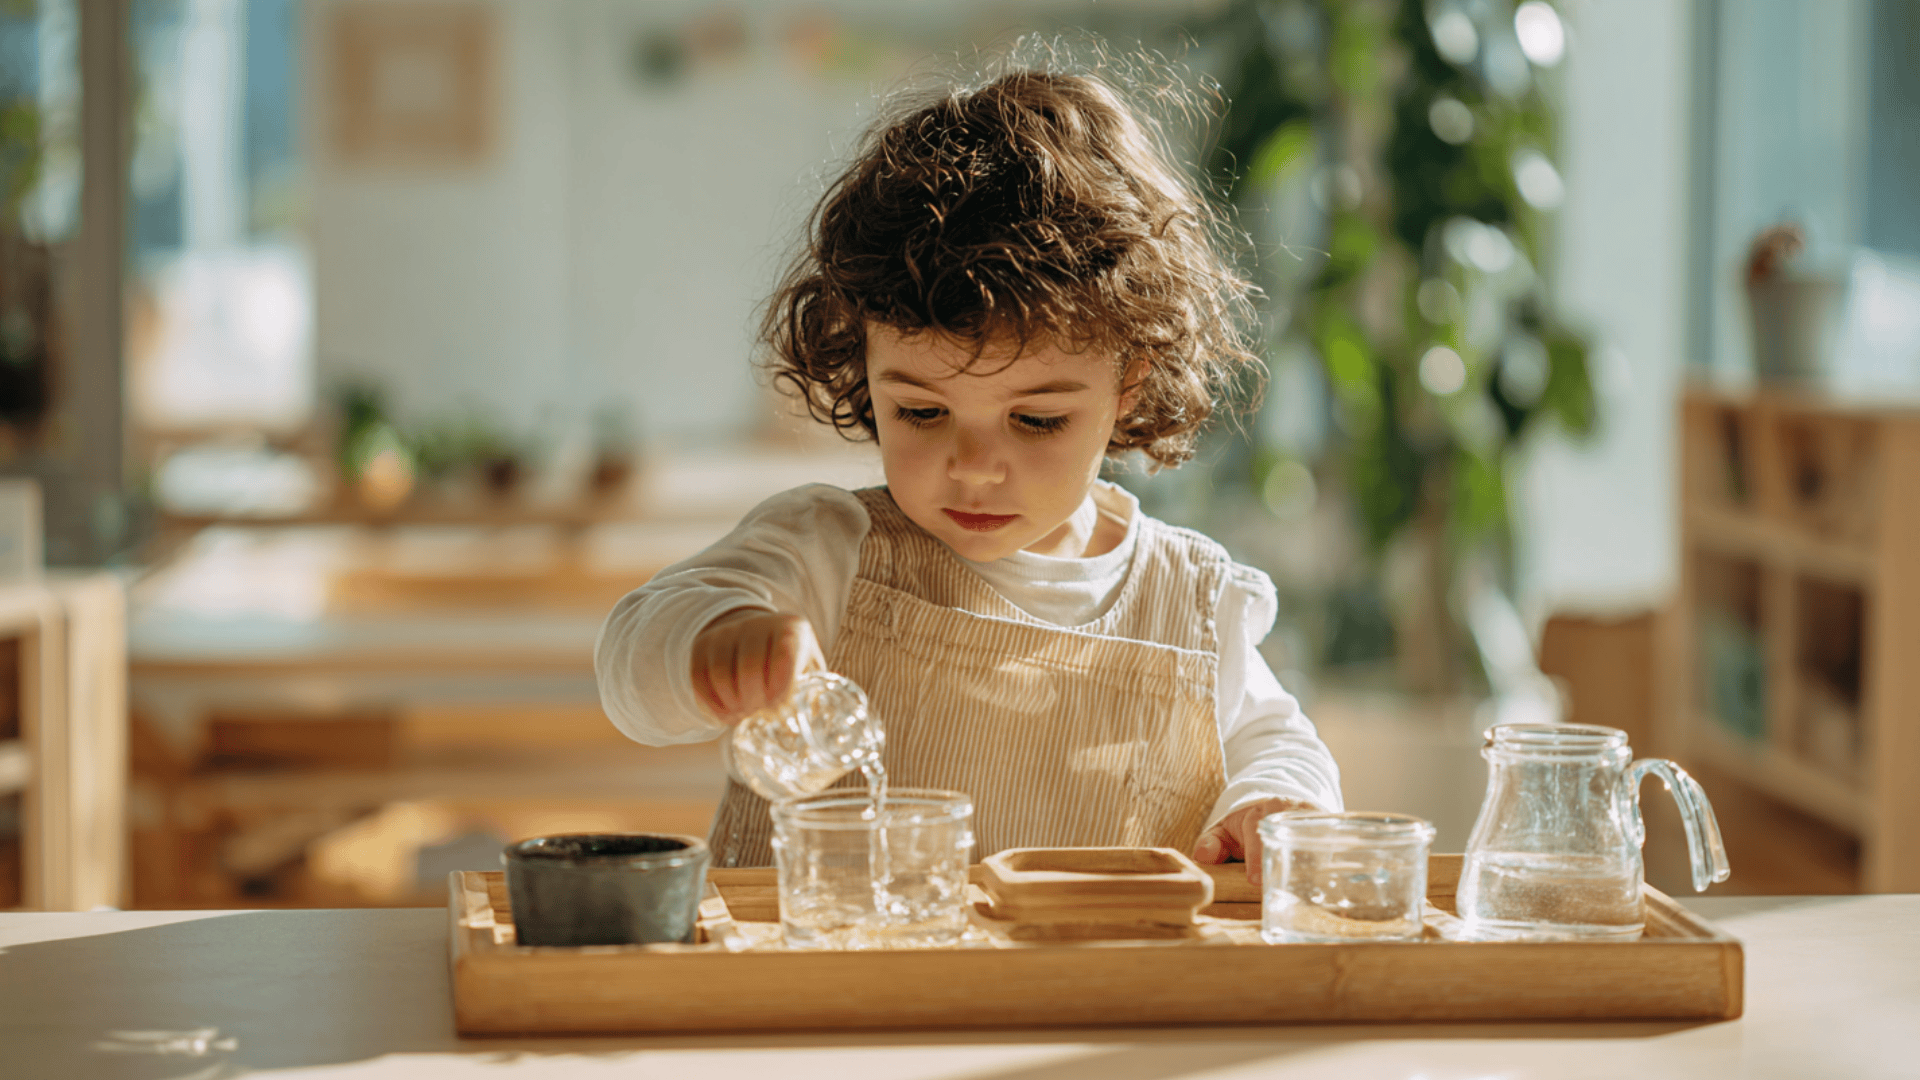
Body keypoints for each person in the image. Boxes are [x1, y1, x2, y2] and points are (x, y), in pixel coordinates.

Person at [596, 62, 1342, 879]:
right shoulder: (830, 548)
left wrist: (1275, 799)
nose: (976, 469)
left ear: (1129, 383)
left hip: (1088, 996)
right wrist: (713, 641)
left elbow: (1281, 743)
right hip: (834, 993)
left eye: (1037, 420)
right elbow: (633, 665)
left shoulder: (1193, 598)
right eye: (921, 411)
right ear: (864, 363)